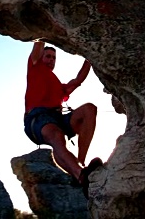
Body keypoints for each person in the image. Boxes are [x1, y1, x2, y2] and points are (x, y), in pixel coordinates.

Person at [23, 40, 103, 198]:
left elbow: (78, 80)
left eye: (53, 58)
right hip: (37, 118)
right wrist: (43, 33)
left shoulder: (59, 86)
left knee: (89, 109)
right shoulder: (34, 66)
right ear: (40, 57)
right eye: (48, 56)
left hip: (58, 118)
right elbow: (38, 42)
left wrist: (90, 58)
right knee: (56, 136)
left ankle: (81, 165)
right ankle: (81, 176)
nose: (51, 60)